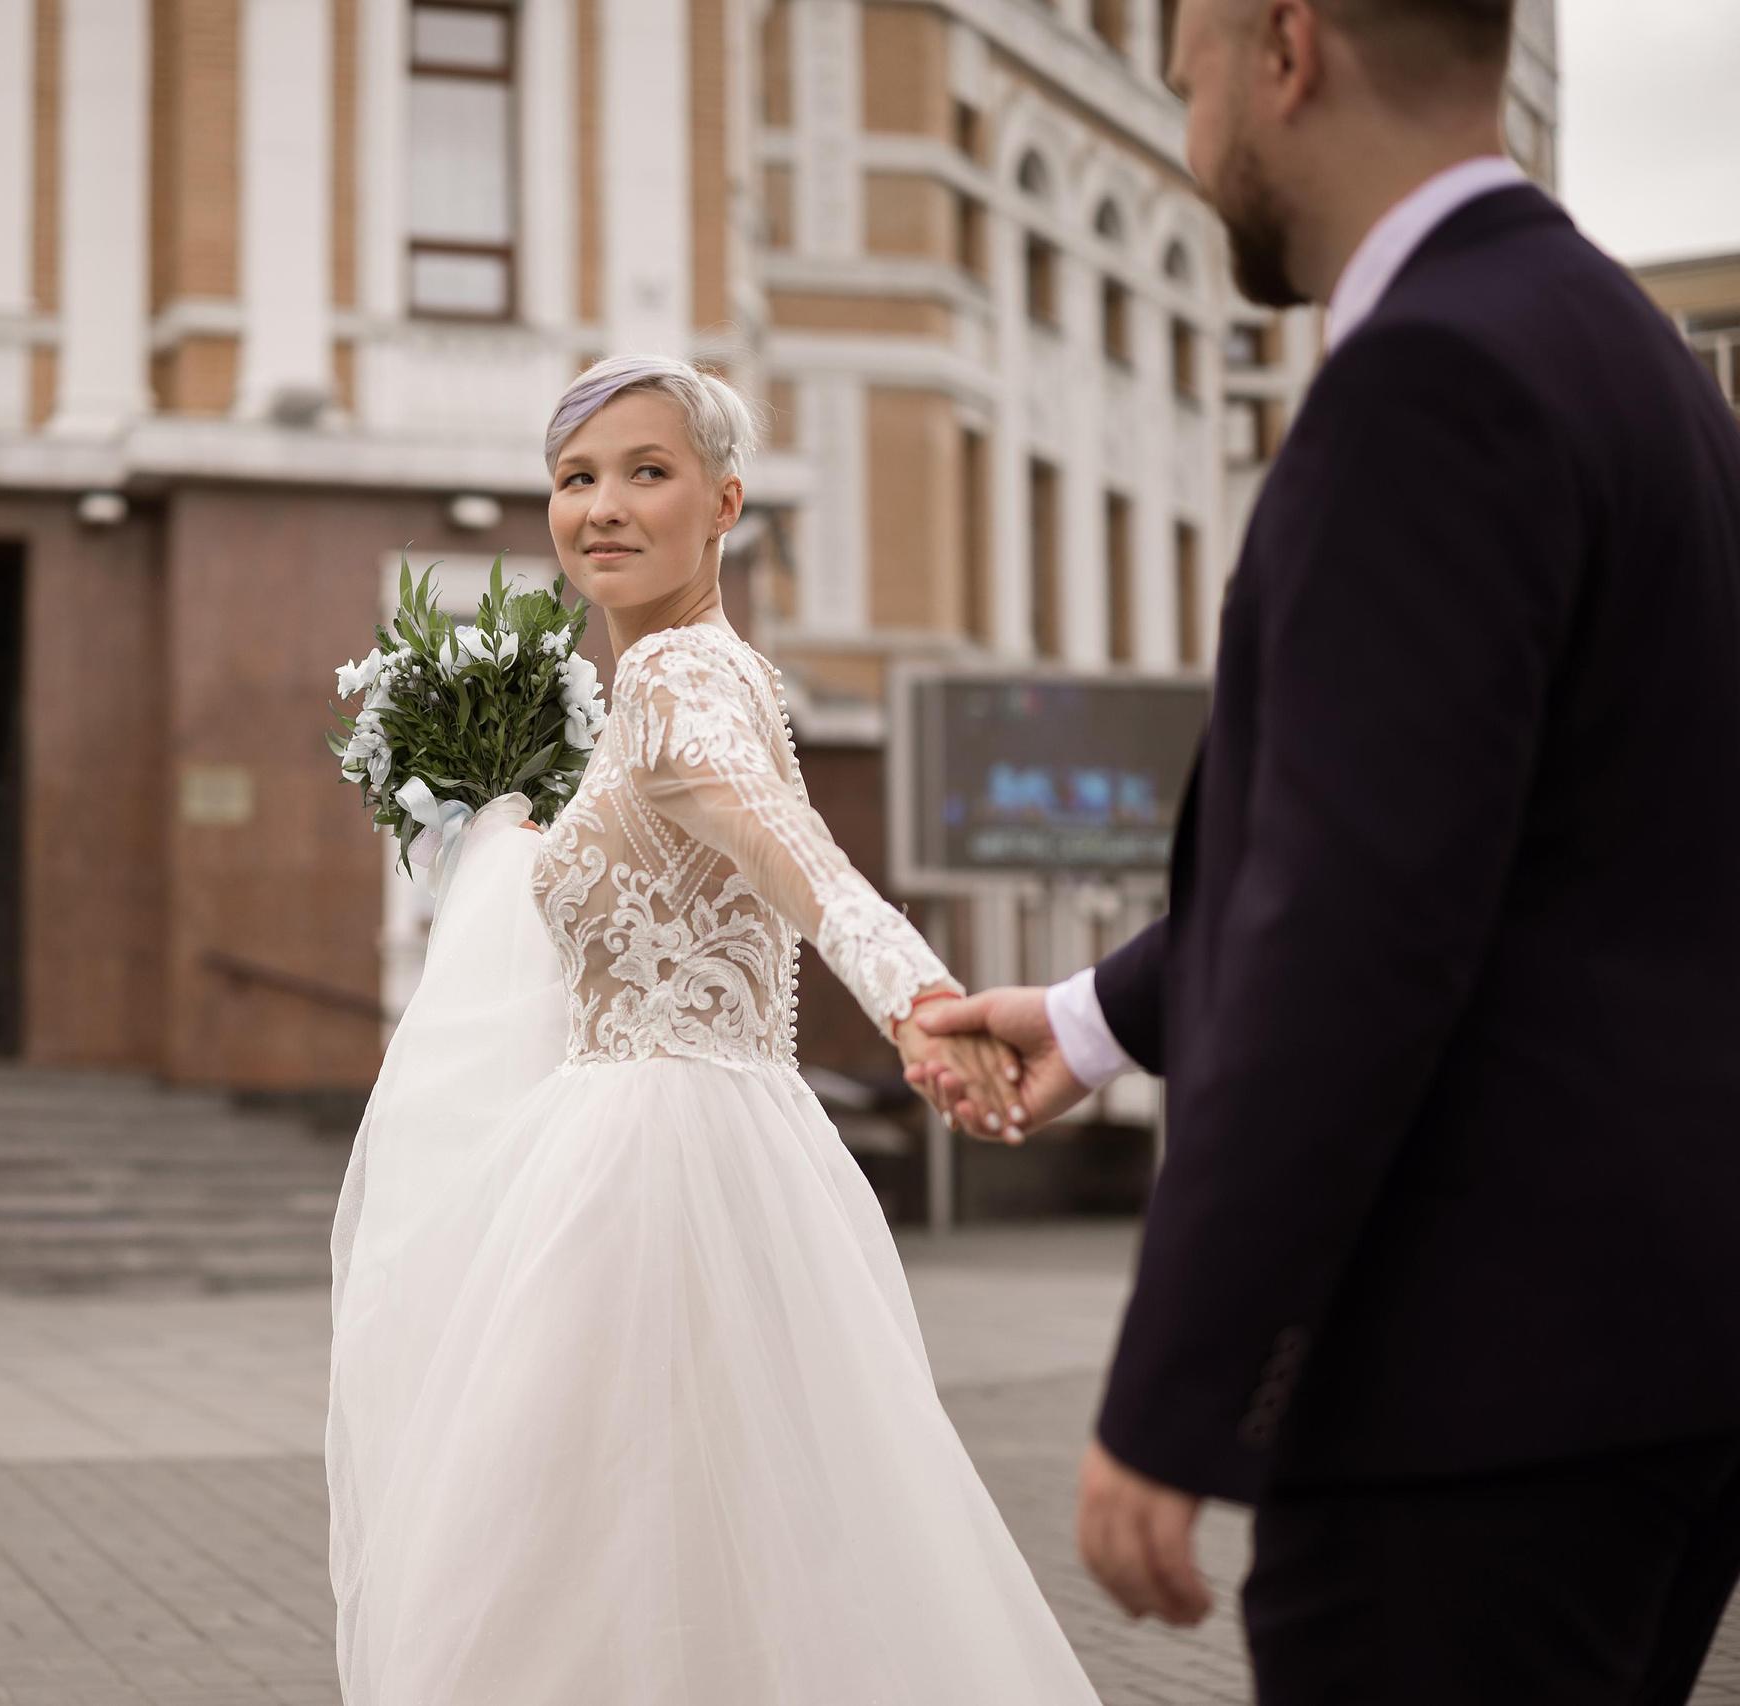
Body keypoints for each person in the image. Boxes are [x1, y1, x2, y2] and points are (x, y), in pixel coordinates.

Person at [911, 1, 1740, 1700]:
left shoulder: (1425, 380)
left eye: (1193, 52)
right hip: (1666, 1378)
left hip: (1470, 1401)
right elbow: (1494, 841)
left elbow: (1352, 926)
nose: (1179, 95)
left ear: (1287, 49)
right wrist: (1089, 1020)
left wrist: (1178, 1389)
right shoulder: (1630, 351)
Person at [324, 354, 1098, 1704]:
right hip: (680, 1141)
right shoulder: (697, 676)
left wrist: (922, 999)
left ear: (727, 500)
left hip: (653, 1163)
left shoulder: (682, 679)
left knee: (579, 1555)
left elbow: (772, 828)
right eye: (575, 479)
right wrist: (503, 826)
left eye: (647, 471)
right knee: (693, 1550)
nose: (603, 506)